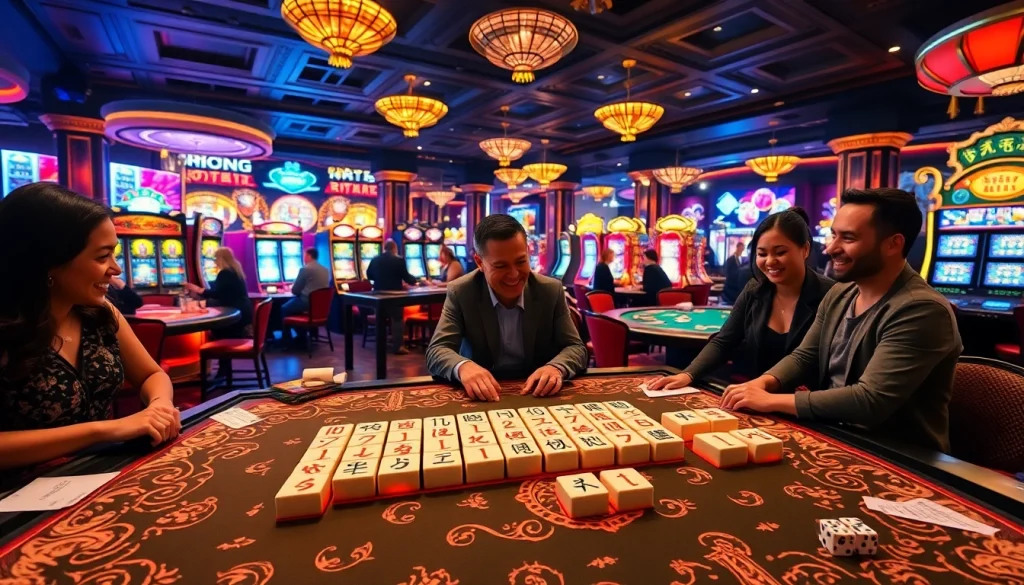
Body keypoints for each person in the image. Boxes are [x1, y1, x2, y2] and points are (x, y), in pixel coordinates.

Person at [720, 188, 962, 453]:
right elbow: (804, 356)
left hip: (897, 455)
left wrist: (770, 401)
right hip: (834, 434)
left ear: (893, 244)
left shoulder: (922, 309)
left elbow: (870, 400)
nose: (831, 248)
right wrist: (761, 383)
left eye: (848, 238)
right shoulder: (841, 292)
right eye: (834, 235)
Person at [0, 183, 181, 470]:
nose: (116, 268)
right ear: (49, 261)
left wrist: (159, 404)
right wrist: (104, 430)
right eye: (101, 256)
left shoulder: (100, 312)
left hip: (97, 472)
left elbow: (151, 374)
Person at [649, 208, 834, 389]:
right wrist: (688, 374)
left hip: (807, 404)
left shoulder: (831, 294)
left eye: (780, 252)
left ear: (805, 249)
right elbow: (724, 341)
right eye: (762, 254)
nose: (770, 261)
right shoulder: (755, 289)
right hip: (756, 397)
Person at [426, 214, 588, 401]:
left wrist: (556, 367)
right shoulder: (462, 291)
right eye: (501, 266)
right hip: (483, 396)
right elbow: (437, 350)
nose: (513, 275)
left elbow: (576, 348)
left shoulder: (550, 290)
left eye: (521, 262)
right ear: (480, 263)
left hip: (536, 393)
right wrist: (463, 366)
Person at [184, 247, 252, 339]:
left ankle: (214, 348)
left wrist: (198, 290)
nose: (215, 262)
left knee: (211, 326)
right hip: (243, 314)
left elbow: (218, 294)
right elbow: (225, 295)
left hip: (234, 319)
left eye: (215, 259)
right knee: (207, 305)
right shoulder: (236, 271)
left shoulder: (225, 273)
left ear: (221, 259)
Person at [366, 240, 419, 355]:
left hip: (378, 294)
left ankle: (381, 345)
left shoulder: (375, 259)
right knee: (397, 319)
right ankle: (398, 347)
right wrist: (417, 281)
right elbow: (407, 277)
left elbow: (368, 275)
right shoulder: (399, 260)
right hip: (394, 295)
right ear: (395, 248)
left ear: (384, 248)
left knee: (380, 319)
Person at [280, 248, 331, 344]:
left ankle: (287, 340)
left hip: (307, 302)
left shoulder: (305, 269)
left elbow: (295, 291)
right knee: (293, 307)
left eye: (304, 255)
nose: (304, 258)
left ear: (309, 256)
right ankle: (303, 336)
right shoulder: (325, 270)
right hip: (320, 307)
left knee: (284, 308)